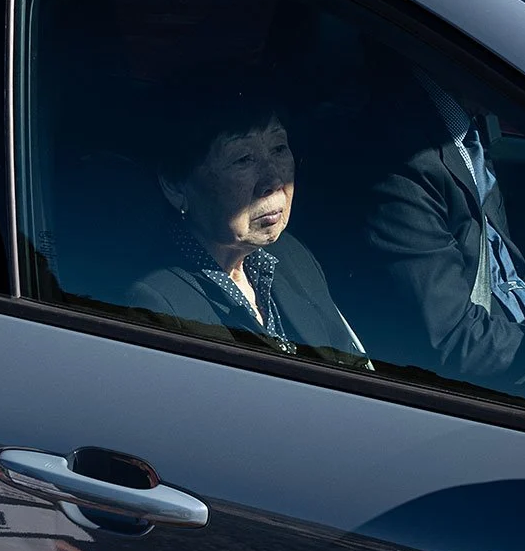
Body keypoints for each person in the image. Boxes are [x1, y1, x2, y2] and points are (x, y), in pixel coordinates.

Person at [324, 68, 525, 397]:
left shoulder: (459, 124)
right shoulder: (403, 161)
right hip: (499, 385)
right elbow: (453, 339)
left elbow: (505, 275)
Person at [126, 83, 366, 365]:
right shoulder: (156, 305)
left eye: (279, 148)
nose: (274, 181)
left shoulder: (291, 256)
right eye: (244, 159)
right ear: (176, 184)